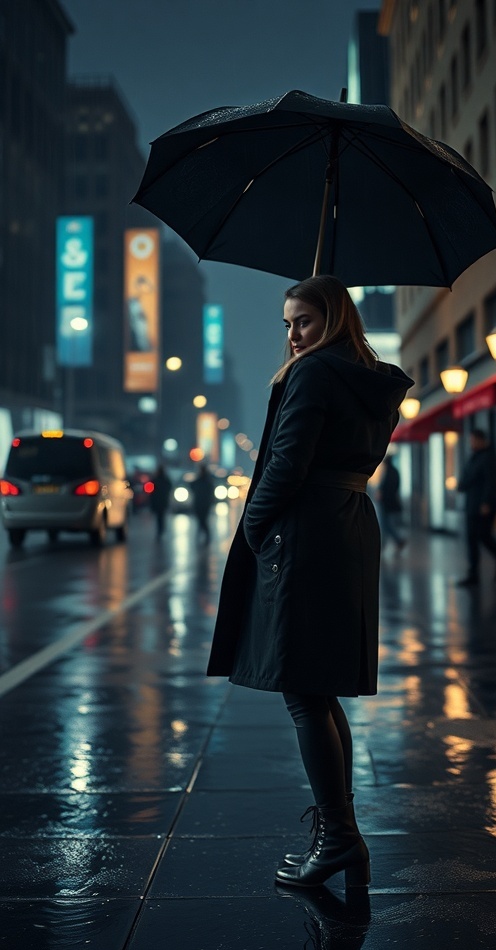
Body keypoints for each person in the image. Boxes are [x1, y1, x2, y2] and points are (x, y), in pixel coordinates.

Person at [207, 276, 413, 888]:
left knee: (303, 688)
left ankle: (339, 837)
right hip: (346, 525)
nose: (294, 336)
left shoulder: (314, 374)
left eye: (305, 321)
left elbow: (286, 463)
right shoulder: (366, 377)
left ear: (336, 319)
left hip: (304, 534)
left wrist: (253, 529)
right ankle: (340, 834)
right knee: (318, 688)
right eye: (288, 324)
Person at [457, 427, 496, 586]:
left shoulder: (487, 457)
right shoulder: (475, 457)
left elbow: (491, 482)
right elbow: (467, 479)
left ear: (481, 441)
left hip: (481, 506)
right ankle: (474, 574)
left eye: (473, 440)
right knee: (473, 539)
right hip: (473, 504)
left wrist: (486, 502)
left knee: (482, 535)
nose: (471, 443)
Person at [376, 455, 406, 552]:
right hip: (391, 501)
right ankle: (395, 541)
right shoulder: (395, 472)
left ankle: (388, 542)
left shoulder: (387, 473)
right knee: (387, 523)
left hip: (386, 502)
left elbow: (384, 487)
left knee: (385, 524)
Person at [189, 464, 215, 542]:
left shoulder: (205, 481)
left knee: (202, 520)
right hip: (201, 503)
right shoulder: (204, 480)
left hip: (202, 504)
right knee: (201, 520)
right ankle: (203, 535)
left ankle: (204, 535)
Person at [149, 463, 172, 537]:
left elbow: (150, 490)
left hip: (158, 501)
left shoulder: (155, 480)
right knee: (161, 516)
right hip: (162, 501)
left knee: (159, 517)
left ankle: (160, 530)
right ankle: (161, 530)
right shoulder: (165, 480)